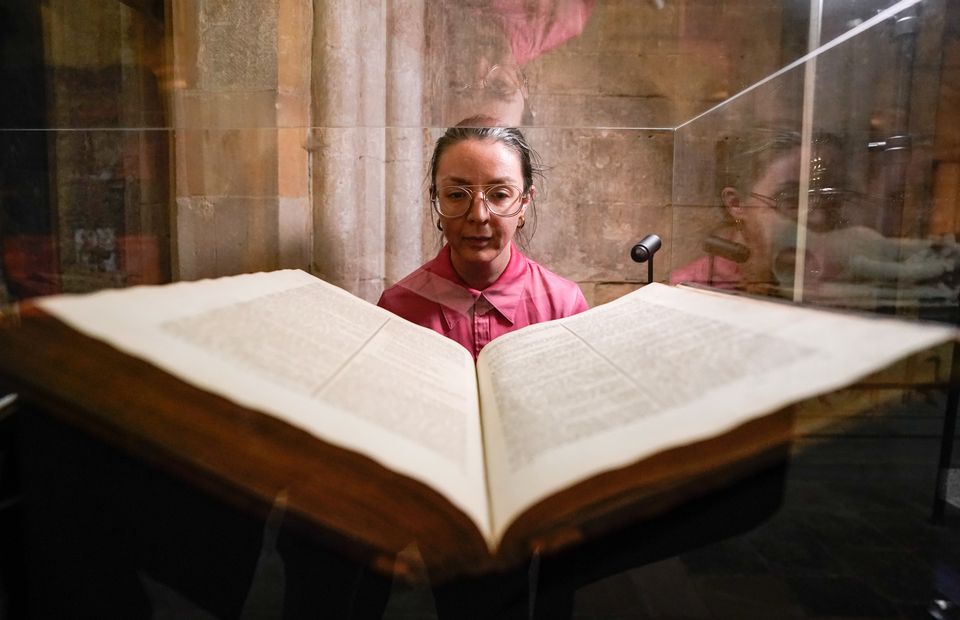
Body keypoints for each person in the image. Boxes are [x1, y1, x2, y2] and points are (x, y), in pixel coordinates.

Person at [378, 119, 588, 359]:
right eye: (457, 194)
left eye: (499, 194)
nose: (478, 216)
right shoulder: (397, 310)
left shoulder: (563, 307)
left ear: (525, 201)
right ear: (435, 198)